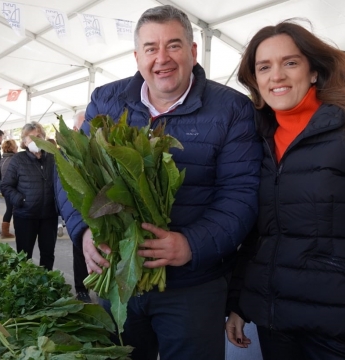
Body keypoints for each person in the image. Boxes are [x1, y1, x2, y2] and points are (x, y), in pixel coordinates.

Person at [56, 5, 262, 359]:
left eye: (174, 45)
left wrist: (190, 244)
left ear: (193, 51)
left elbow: (241, 195)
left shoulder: (232, 109)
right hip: (118, 279)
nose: (162, 58)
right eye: (151, 48)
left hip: (193, 286)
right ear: (137, 56)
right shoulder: (106, 100)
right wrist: (84, 231)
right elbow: (73, 176)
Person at [225, 20, 345, 360]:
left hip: (340, 330)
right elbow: (258, 233)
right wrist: (239, 302)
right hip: (276, 324)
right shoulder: (258, 137)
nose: (276, 75)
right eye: (264, 67)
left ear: (313, 71)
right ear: (255, 79)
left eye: (289, 63)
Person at [2, 122, 59, 271]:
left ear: (44, 139)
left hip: (49, 216)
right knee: (24, 255)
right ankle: (24, 284)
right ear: (24, 141)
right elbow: (6, 186)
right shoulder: (17, 160)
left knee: (48, 254)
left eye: (39, 137)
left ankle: (47, 285)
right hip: (25, 216)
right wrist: (21, 200)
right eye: (31, 138)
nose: (35, 141)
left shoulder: (53, 159)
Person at [69, 111, 92, 304]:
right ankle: (81, 288)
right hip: (80, 208)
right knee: (80, 247)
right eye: (85, 125)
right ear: (76, 129)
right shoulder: (69, 151)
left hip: (102, 207)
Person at [0, 139, 17, 239]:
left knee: (9, 209)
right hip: (13, 188)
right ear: (12, 148)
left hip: (4, 187)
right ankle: (17, 230)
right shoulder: (14, 159)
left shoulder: (2, 159)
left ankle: (5, 231)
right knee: (14, 209)